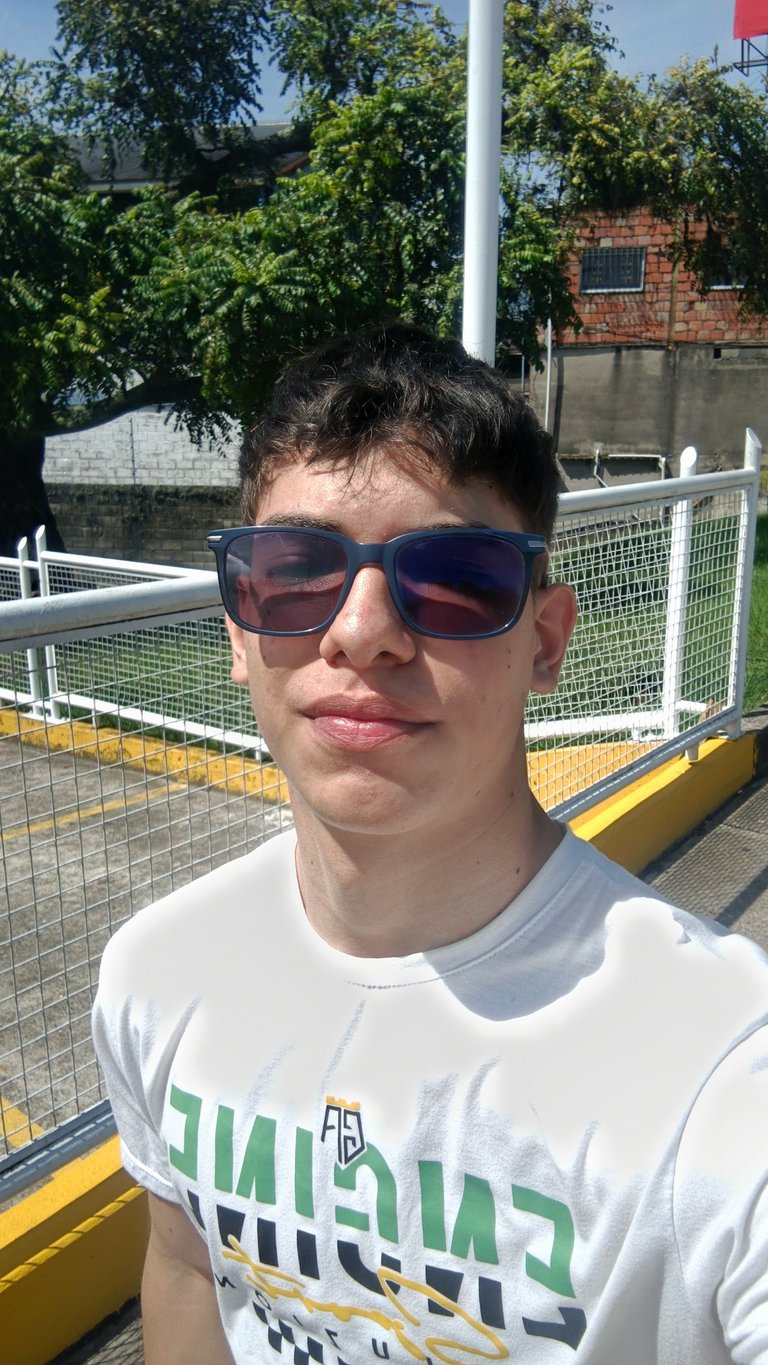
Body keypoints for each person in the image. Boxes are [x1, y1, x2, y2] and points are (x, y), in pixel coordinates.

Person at [93, 323, 768, 1365]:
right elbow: (189, 1267)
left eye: (454, 575)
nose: (360, 631)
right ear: (237, 627)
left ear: (544, 640)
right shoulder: (158, 975)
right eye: (294, 571)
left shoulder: (720, 1073)